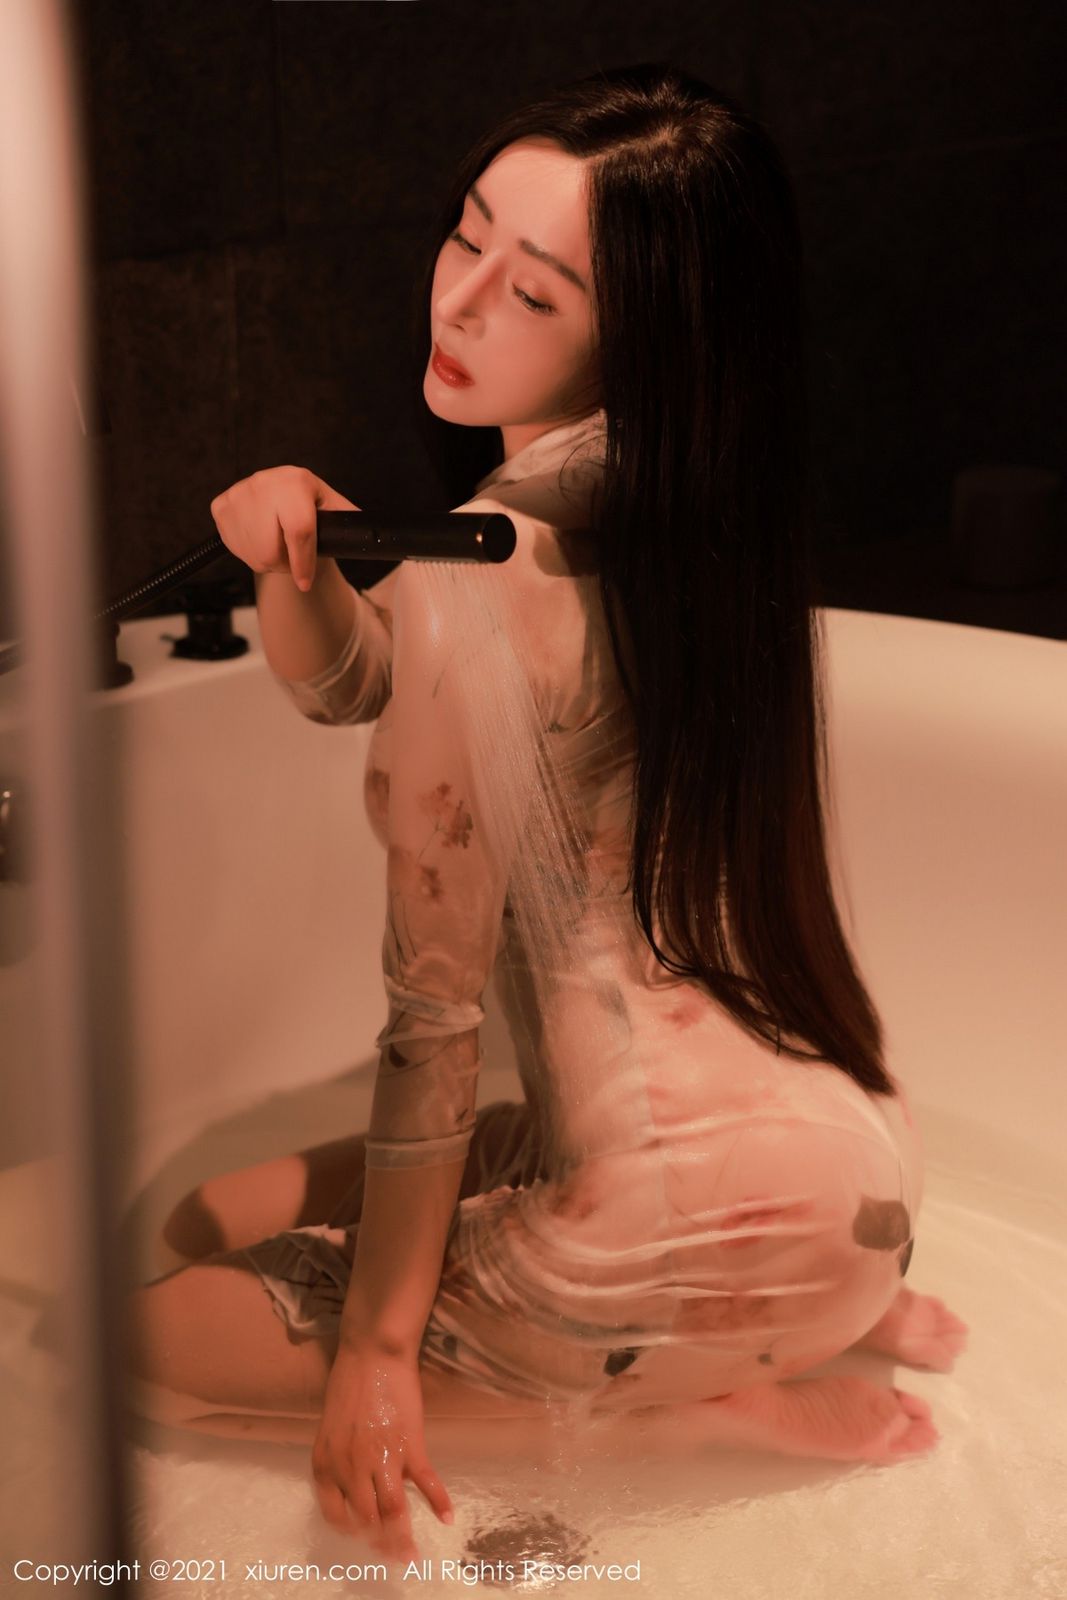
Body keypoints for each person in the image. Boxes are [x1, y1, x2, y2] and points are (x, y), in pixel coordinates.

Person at [125, 62, 967, 1564]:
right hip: (857, 1182)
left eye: (531, 293)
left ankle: (693, 1409)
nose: (458, 305)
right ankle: (777, 1331)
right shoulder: (692, 516)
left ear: (635, 336)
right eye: (464, 239)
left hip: (667, 1232)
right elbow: (366, 684)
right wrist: (292, 573)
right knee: (219, 1203)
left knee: (155, 1328)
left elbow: (432, 1021)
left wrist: (380, 1357)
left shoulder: (481, 566)